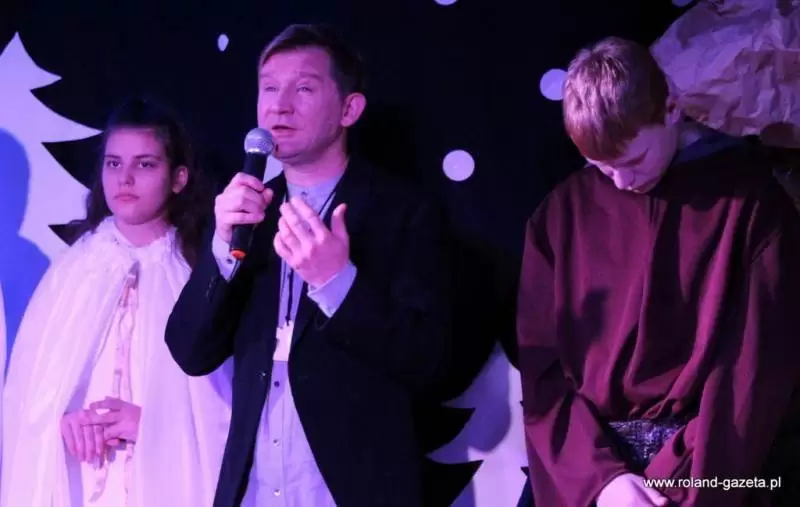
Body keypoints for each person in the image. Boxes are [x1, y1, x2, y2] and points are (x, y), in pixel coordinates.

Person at [165, 23, 452, 507]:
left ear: (349, 109)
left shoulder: (403, 212)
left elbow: (429, 362)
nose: (279, 106)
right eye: (269, 88)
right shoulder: (248, 212)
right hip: (254, 490)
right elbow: (190, 351)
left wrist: (338, 283)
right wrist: (221, 247)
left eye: (303, 89)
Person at [516, 37, 800, 507]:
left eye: (632, 161)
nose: (622, 181)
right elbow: (542, 375)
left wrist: (674, 489)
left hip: (715, 470)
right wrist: (602, 483)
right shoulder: (558, 217)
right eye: (601, 168)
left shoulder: (754, 207)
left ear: (670, 109)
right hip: (589, 474)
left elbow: (753, 378)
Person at [1, 98, 233, 507]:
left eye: (145, 164)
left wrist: (153, 424)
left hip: (165, 482)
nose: (125, 178)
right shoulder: (73, 271)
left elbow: (219, 410)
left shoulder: (194, 276)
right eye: (113, 163)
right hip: (82, 480)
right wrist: (64, 421)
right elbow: (29, 402)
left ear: (178, 178)